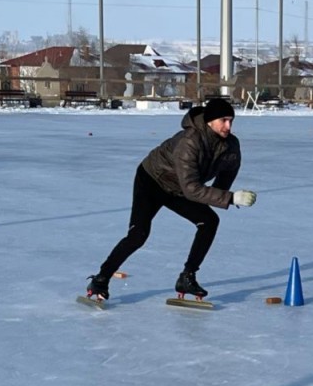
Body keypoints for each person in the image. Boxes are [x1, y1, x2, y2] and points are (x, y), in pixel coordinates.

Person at [86, 98, 257, 302]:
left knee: (209, 221)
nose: (228, 126)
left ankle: (187, 277)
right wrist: (230, 198)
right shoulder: (190, 141)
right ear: (210, 121)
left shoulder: (231, 146)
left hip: (179, 188)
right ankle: (101, 279)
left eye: (231, 120)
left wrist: (224, 195)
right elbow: (192, 188)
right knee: (138, 235)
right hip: (152, 180)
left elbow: (224, 178)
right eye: (223, 120)